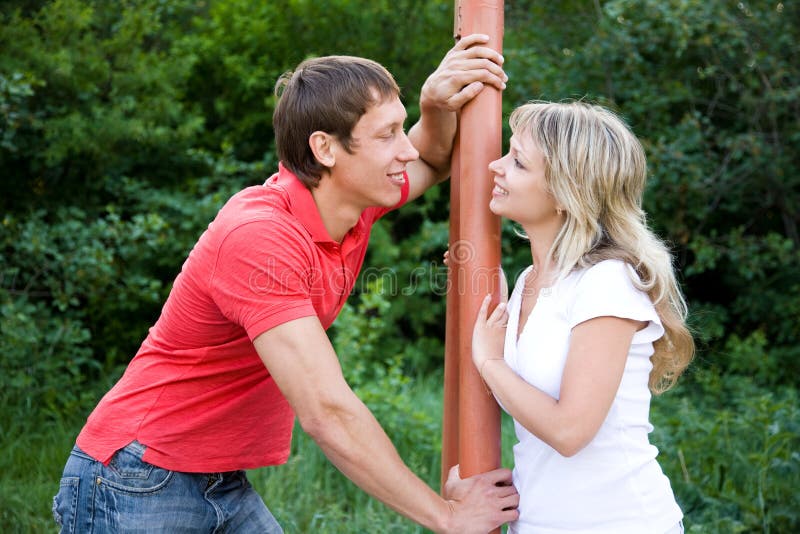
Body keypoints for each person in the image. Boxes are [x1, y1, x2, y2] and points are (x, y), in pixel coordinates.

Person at [52, 34, 520, 533]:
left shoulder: (351, 203)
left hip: (215, 478)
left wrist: (434, 104)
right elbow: (327, 410)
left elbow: (434, 159)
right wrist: (446, 516)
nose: (405, 149)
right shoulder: (261, 237)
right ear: (325, 148)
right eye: (387, 135)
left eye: (403, 129)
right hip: (136, 477)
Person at [470, 101, 694, 533]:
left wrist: (491, 362)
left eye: (517, 161)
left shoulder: (608, 281)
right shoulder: (526, 282)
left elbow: (570, 430)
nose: (495, 166)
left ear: (564, 191)